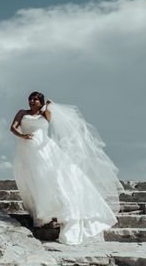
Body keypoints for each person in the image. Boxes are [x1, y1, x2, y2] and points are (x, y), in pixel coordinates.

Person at [9, 91, 122, 245]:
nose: (32, 101)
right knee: (32, 179)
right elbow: (13, 127)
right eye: (30, 99)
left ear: (40, 102)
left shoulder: (45, 113)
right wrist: (22, 136)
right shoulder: (22, 113)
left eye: (35, 99)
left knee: (49, 178)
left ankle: (57, 210)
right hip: (26, 149)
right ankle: (41, 212)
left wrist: (47, 107)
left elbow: (48, 121)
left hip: (44, 149)